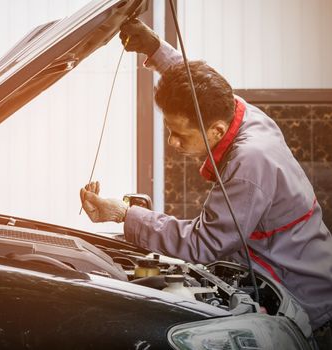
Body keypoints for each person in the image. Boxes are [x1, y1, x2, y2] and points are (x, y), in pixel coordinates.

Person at [80, 19, 332, 349]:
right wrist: (155, 49)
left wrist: (124, 214)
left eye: (179, 134)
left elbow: (204, 244)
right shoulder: (238, 111)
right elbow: (203, 87)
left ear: (215, 131)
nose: (172, 142)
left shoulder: (249, 163)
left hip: (308, 309)